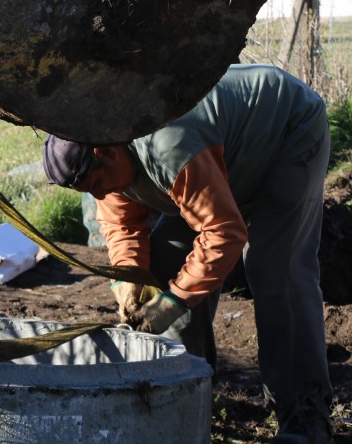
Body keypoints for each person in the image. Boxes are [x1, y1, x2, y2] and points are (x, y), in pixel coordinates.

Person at [42, 64, 333, 444]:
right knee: (166, 262)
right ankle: (187, 395)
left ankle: (306, 420)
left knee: (277, 273)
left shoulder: (169, 146)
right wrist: (129, 280)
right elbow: (122, 226)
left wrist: (174, 301)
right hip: (217, 163)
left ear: (107, 152)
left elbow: (223, 232)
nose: (99, 195)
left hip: (285, 132)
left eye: (96, 184)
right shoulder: (106, 147)